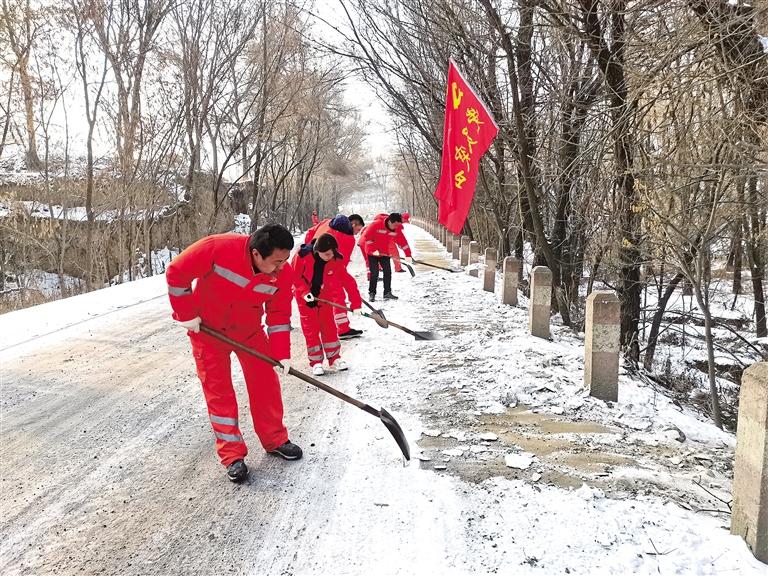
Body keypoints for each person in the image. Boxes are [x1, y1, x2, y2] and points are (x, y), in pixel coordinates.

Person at [166, 224, 303, 484]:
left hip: (249, 333)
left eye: (285, 260)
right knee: (219, 393)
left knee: (265, 383)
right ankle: (232, 456)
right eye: (276, 261)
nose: (282, 267)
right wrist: (187, 314)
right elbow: (176, 273)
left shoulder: (283, 274)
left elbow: (278, 315)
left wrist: (281, 353)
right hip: (207, 331)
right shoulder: (217, 248)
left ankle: (275, 439)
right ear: (255, 254)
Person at [291, 233, 362, 376]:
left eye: (331, 253)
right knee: (311, 329)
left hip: (325, 298)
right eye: (326, 254)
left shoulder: (336, 260)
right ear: (317, 251)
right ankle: (316, 362)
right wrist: (305, 292)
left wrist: (356, 304)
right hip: (306, 299)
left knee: (328, 327)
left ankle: (334, 358)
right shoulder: (302, 256)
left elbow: (348, 281)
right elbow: (294, 277)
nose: (329, 256)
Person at [304, 214, 364, 339]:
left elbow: (310, 233)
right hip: (329, 268)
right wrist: (355, 303)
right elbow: (342, 263)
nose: (357, 234)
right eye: (358, 230)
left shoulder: (326, 222)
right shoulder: (348, 239)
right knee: (338, 295)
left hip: (313, 262)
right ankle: (342, 329)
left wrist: (311, 250)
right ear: (352, 225)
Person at [358, 212, 412, 301]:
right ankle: (372, 293)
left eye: (397, 226)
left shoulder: (396, 228)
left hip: (384, 253)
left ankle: (387, 292)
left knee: (388, 272)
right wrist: (374, 250)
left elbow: (403, 242)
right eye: (395, 225)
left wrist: (408, 254)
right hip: (372, 253)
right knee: (374, 273)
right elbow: (367, 238)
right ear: (390, 222)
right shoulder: (376, 225)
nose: (396, 228)